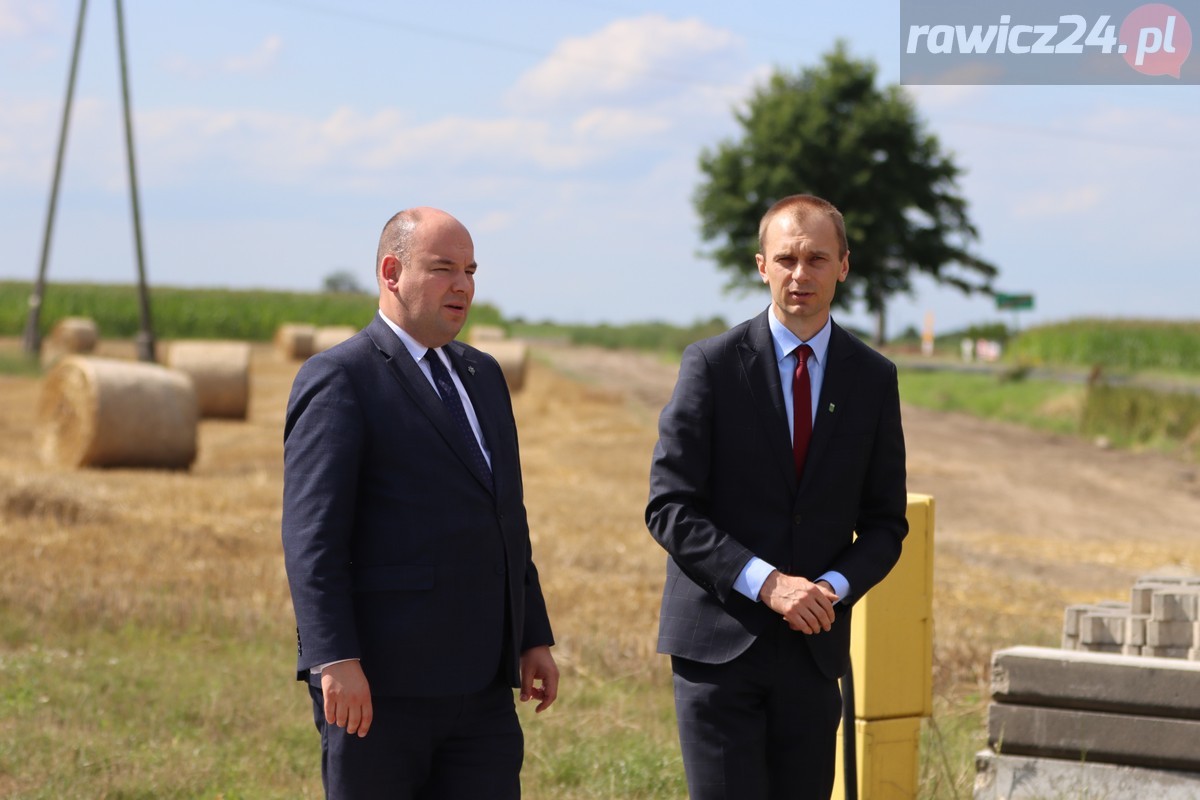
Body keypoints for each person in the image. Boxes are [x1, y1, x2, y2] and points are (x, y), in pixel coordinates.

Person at [282, 206, 558, 799]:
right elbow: (313, 539)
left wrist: (532, 634)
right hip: (380, 687)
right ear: (391, 272)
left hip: (483, 686)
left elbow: (507, 518)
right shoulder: (341, 378)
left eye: (470, 270)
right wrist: (334, 659)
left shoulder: (483, 375)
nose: (463, 285)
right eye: (443, 269)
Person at [646, 194, 907, 800]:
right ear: (761, 265)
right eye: (786, 258)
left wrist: (830, 591)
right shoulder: (709, 365)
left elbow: (886, 524)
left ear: (844, 265)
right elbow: (669, 507)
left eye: (817, 258)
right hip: (718, 649)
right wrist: (766, 583)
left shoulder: (873, 378)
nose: (800, 274)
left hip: (812, 654)